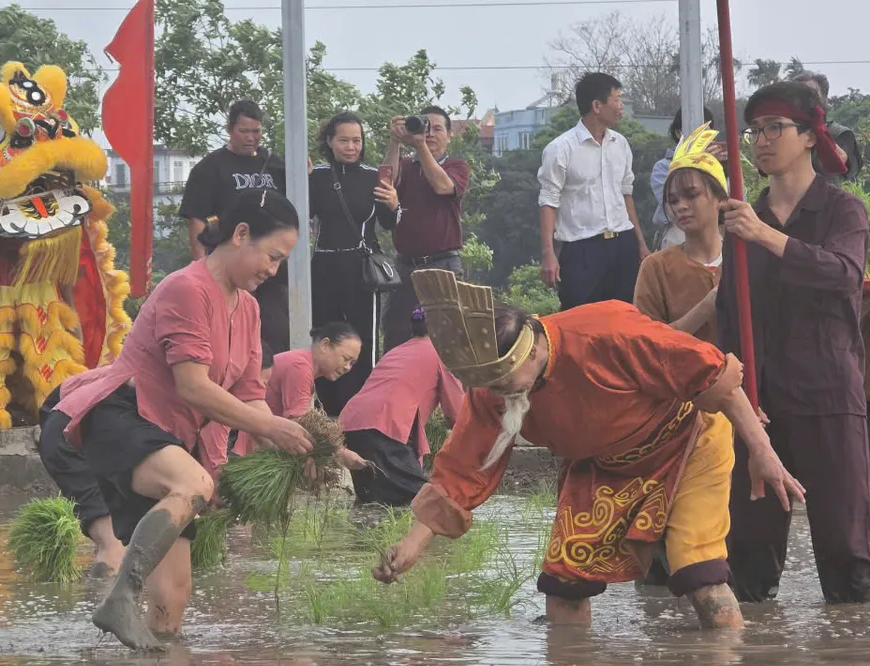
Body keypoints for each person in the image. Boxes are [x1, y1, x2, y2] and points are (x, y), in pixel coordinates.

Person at [374, 269, 805, 630]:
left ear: (533, 349)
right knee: (564, 581)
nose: (499, 394)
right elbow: (462, 468)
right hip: (604, 465)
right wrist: (413, 544)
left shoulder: (608, 331)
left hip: (686, 440)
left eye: (505, 383)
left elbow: (713, 376)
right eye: (491, 386)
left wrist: (762, 452)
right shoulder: (493, 390)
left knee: (698, 571)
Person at [55, 190, 313, 651]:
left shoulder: (249, 309)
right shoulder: (187, 288)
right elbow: (192, 386)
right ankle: (119, 597)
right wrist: (270, 428)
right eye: (272, 257)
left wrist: (298, 446)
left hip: (169, 441)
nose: (273, 271)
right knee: (192, 485)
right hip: (122, 417)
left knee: (172, 601)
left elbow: (249, 397)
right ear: (240, 235)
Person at [716, 81, 870, 605]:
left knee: (848, 553)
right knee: (747, 558)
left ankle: (850, 653)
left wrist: (764, 235)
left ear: (809, 136)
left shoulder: (843, 211)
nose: (760, 141)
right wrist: (737, 399)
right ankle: (753, 658)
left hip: (828, 396)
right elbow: (729, 314)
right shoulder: (741, 221)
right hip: (760, 405)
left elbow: (843, 274)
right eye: (754, 131)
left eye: (773, 129)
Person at [179, 100, 290, 354]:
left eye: (256, 131)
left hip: (271, 268)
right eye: (244, 131)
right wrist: (200, 266)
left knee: (275, 332)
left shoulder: (274, 164)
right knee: (234, 334)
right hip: (232, 264)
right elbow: (196, 218)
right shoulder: (210, 168)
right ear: (230, 129)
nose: (251, 138)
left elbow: (295, 208)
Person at [538, 72, 651, 310]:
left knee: (624, 317)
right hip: (582, 250)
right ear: (597, 106)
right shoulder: (561, 149)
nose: (621, 106)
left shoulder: (620, 144)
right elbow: (548, 201)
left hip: (622, 245)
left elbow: (626, 195)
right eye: (617, 100)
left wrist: (640, 243)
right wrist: (548, 253)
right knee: (580, 320)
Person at [309, 111, 397, 414]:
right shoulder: (316, 176)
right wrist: (296, 177)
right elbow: (298, 214)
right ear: (329, 141)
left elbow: (389, 223)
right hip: (324, 267)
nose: (351, 147)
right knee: (323, 335)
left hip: (361, 268)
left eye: (356, 140)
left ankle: (360, 408)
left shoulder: (373, 177)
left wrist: (394, 204)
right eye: (344, 140)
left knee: (364, 337)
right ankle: (322, 409)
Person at [339, 308, 465, 507]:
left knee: (375, 500)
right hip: (383, 427)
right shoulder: (441, 354)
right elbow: (459, 414)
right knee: (426, 501)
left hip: (352, 424)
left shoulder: (397, 351)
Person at [380, 105, 470, 353]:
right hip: (405, 266)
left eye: (437, 129)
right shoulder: (406, 165)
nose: (429, 134)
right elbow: (386, 181)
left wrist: (420, 146)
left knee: (447, 339)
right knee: (396, 337)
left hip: (443, 264)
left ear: (449, 135)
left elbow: (443, 186)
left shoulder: (457, 166)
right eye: (425, 127)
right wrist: (395, 142)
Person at [635, 123, 728, 345]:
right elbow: (646, 345)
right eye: (673, 200)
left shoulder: (747, 260)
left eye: (692, 195)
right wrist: (705, 307)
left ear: (721, 199)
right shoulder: (656, 268)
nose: (681, 206)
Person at [230, 321, 368, 470]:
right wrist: (340, 452)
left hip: (260, 442)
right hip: (250, 447)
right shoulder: (300, 367)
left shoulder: (303, 365)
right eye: (345, 358)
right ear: (325, 345)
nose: (347, 367)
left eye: (352, 363)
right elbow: (301, 423)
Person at [37, 382, 126, 577]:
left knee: (112, 533)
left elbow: (48, 406)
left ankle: (97, 584)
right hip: (71, 436)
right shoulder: (185, 386)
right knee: (113, 542)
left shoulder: (116, 374)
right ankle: (103, 593)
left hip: (67, 428)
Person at [650, 107, 720, 251]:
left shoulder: (716, 166)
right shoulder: (663, 167)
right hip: (678, 235)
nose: (701, 138)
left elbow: (736, 201)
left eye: (706, 132)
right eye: (695, 132)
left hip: (714, 235)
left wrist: (727, 169)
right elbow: (670, 206)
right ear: (678, 133)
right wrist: (698, 164)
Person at [791, 70, 862, 184]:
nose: (805, 100)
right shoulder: (785, 131)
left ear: (824, 99)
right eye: (799, 94)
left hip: (827, 194)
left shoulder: (839, 132)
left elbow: (840, 160)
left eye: (811, 94)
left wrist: (818, 128)